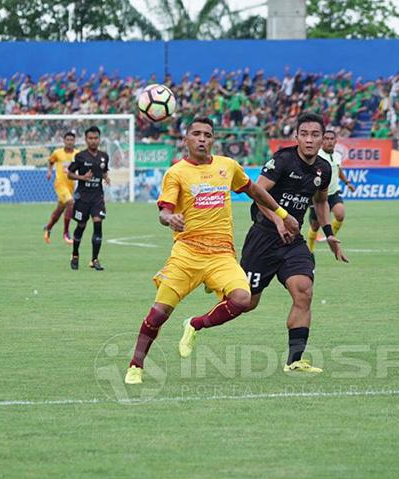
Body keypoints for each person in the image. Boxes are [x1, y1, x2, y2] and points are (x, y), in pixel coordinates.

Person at [124, 117, 300, 385]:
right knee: (159, 313)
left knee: (242, 300)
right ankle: (136, 365)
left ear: (213, 139)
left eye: (207, 134)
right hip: (187, 253)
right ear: (186, 140)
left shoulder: (227, 166)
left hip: (221, 254)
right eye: (196, 134)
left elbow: (254, 190)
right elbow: (164, 210)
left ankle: (195, 324)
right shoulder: (177, 172)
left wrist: (282, 214)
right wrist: (169, 218)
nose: (202, 138)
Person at [239, 112, 349, 374]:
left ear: (323, 139)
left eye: (315, 135)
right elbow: (257, 195)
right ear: (296, 136)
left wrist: (329, 233)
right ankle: (199, 318)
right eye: (305, 134)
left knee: (304, 290)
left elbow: (320, 202)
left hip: (292, 240)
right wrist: (279, 220)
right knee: (246, 303)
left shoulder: (323, 168)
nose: (310, 140)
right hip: (264, 237)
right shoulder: (282, 161)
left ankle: (295, 360)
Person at [67, 126, 109, 271]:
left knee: (98, 223)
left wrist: (106, 177)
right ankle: (75, 255)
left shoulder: (104, 156)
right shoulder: (80, 156)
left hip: (97, 197)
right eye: (90, 138)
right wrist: (82, 177)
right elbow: (70, 174)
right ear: (85, 140)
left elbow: (103, 170)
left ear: (99, 139)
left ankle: (94, 259)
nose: (93, 141)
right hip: (82, 198)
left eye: (95, 138)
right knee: (81, 225)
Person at [307, 129, 356, 249]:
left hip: (333, 193)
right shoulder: (316, 156)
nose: (329, 141)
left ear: (335, 141)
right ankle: (310, 250)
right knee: (315, 226)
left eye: (331, 139)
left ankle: (330, 237)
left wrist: (347, 182)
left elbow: (338, 170)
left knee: (340, 214)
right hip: (318, 195)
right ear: (322, 141)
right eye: (326, 139)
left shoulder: (337, 155)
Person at [43, 131, 78, 244]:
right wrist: (49, 171)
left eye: (71, 140)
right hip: (60, 184)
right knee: (70, 202)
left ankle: (48, 228)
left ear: (74, 141)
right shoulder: (57, 153)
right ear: (64, 141)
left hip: (71, 185)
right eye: (67, 140)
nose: (69, 142)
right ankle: (66, 233)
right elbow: (51, 161)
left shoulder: (78, 154)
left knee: (59, 210)